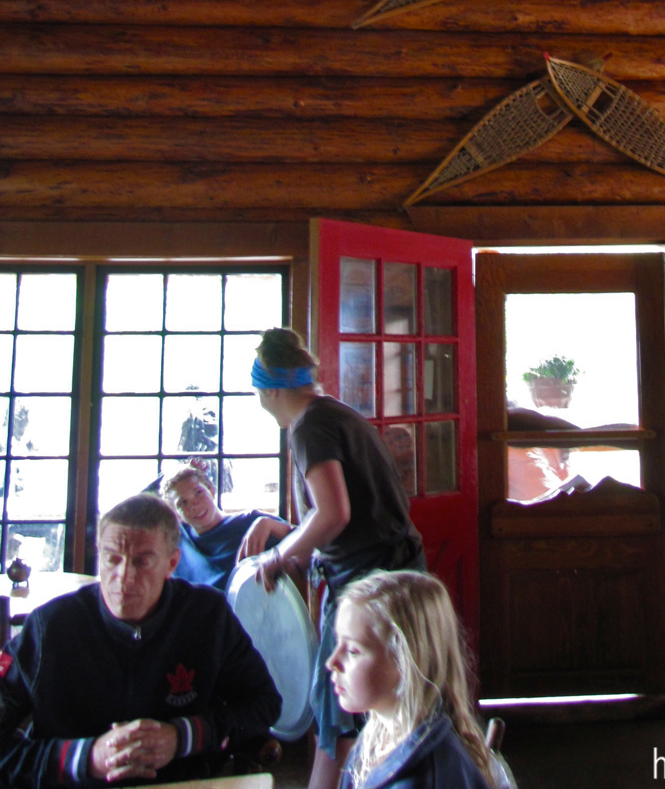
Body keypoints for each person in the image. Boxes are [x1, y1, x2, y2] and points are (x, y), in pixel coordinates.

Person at [240, 327, 425, 789]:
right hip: (393, 571)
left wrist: (278, 556)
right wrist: (284, 531)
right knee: (388, 704)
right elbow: (347, 513)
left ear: (271, 390)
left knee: (336, 713)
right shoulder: (335, 414)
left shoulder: (309, 427)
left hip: (365, 583)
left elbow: (334, 514)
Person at [0, 493, 281, 788]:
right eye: (112, 559)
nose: (124, 577)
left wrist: (183, 736)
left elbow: (264, 703)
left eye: (142, 562)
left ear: (172, 563)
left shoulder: (207, 615)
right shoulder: (50, 626)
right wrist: (86, 758)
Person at [327, 570, 495, 789]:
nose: (332, 662)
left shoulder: (424, 778)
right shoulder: (376, 740)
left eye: (353, 650)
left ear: (405, 661)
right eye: (337, 642)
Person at [162, 463, 286, 593]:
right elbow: (148, 505)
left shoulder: (251, 522)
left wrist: (270, 524)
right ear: (176, 514)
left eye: (198, 493)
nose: (194, 505)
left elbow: (300, 538)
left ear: (212, 491)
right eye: (183, 502)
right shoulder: (178, 539)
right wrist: (186, 465)